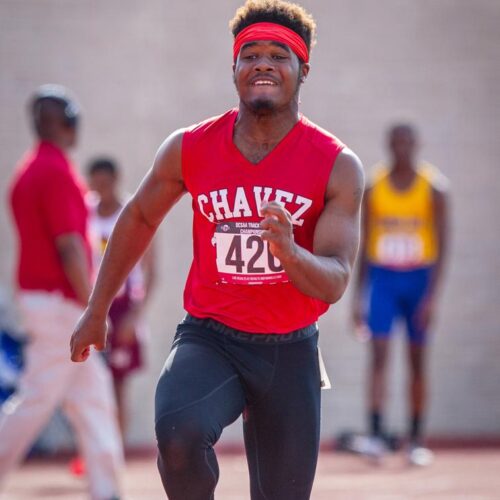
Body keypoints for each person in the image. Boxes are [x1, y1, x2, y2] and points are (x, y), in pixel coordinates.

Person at [71, 1, 364, 498]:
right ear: (234, 68)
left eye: (280, 54)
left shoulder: (336, 164)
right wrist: (97, 308)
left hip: (289, 347)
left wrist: (291, 254)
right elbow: (140, 216)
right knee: (179, 435)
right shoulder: (190, 147)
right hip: (212, 336)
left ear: (303, 70)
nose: (263, 63)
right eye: (250, 54)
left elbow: (336, 279)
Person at [1, 85, 123, 500]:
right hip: (60, 304)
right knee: (37, 399)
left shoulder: (30, 168)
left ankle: (107, 490)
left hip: (52, 301)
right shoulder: (53, 171)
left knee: (94, 398)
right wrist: (95, 305)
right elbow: (69, 246)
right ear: (58, 122)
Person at [352, 124, 449, 465]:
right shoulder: (375, 187)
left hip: (419, 277)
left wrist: (432, 297)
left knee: (417, 359)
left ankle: (416, 438)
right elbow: (363, 245)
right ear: (389, 144)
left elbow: (443, 247)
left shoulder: (433, 188)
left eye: (408, 141)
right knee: (378, 356)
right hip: (383, 277)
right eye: (396, 141)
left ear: (417, 144)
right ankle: (377, 435)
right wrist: (357, 298)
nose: (402, 147)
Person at [86, 157, 156, 436]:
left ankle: (116, 451)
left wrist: (135, 316)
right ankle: (95, 450)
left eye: (106, 182)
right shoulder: (84, 213)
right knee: (89, 383)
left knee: (117, 385)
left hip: (123, 306)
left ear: (116, 180)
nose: (100, 188)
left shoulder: (133, 214)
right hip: (92, 302)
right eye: (96, 183)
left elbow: (152, 272)